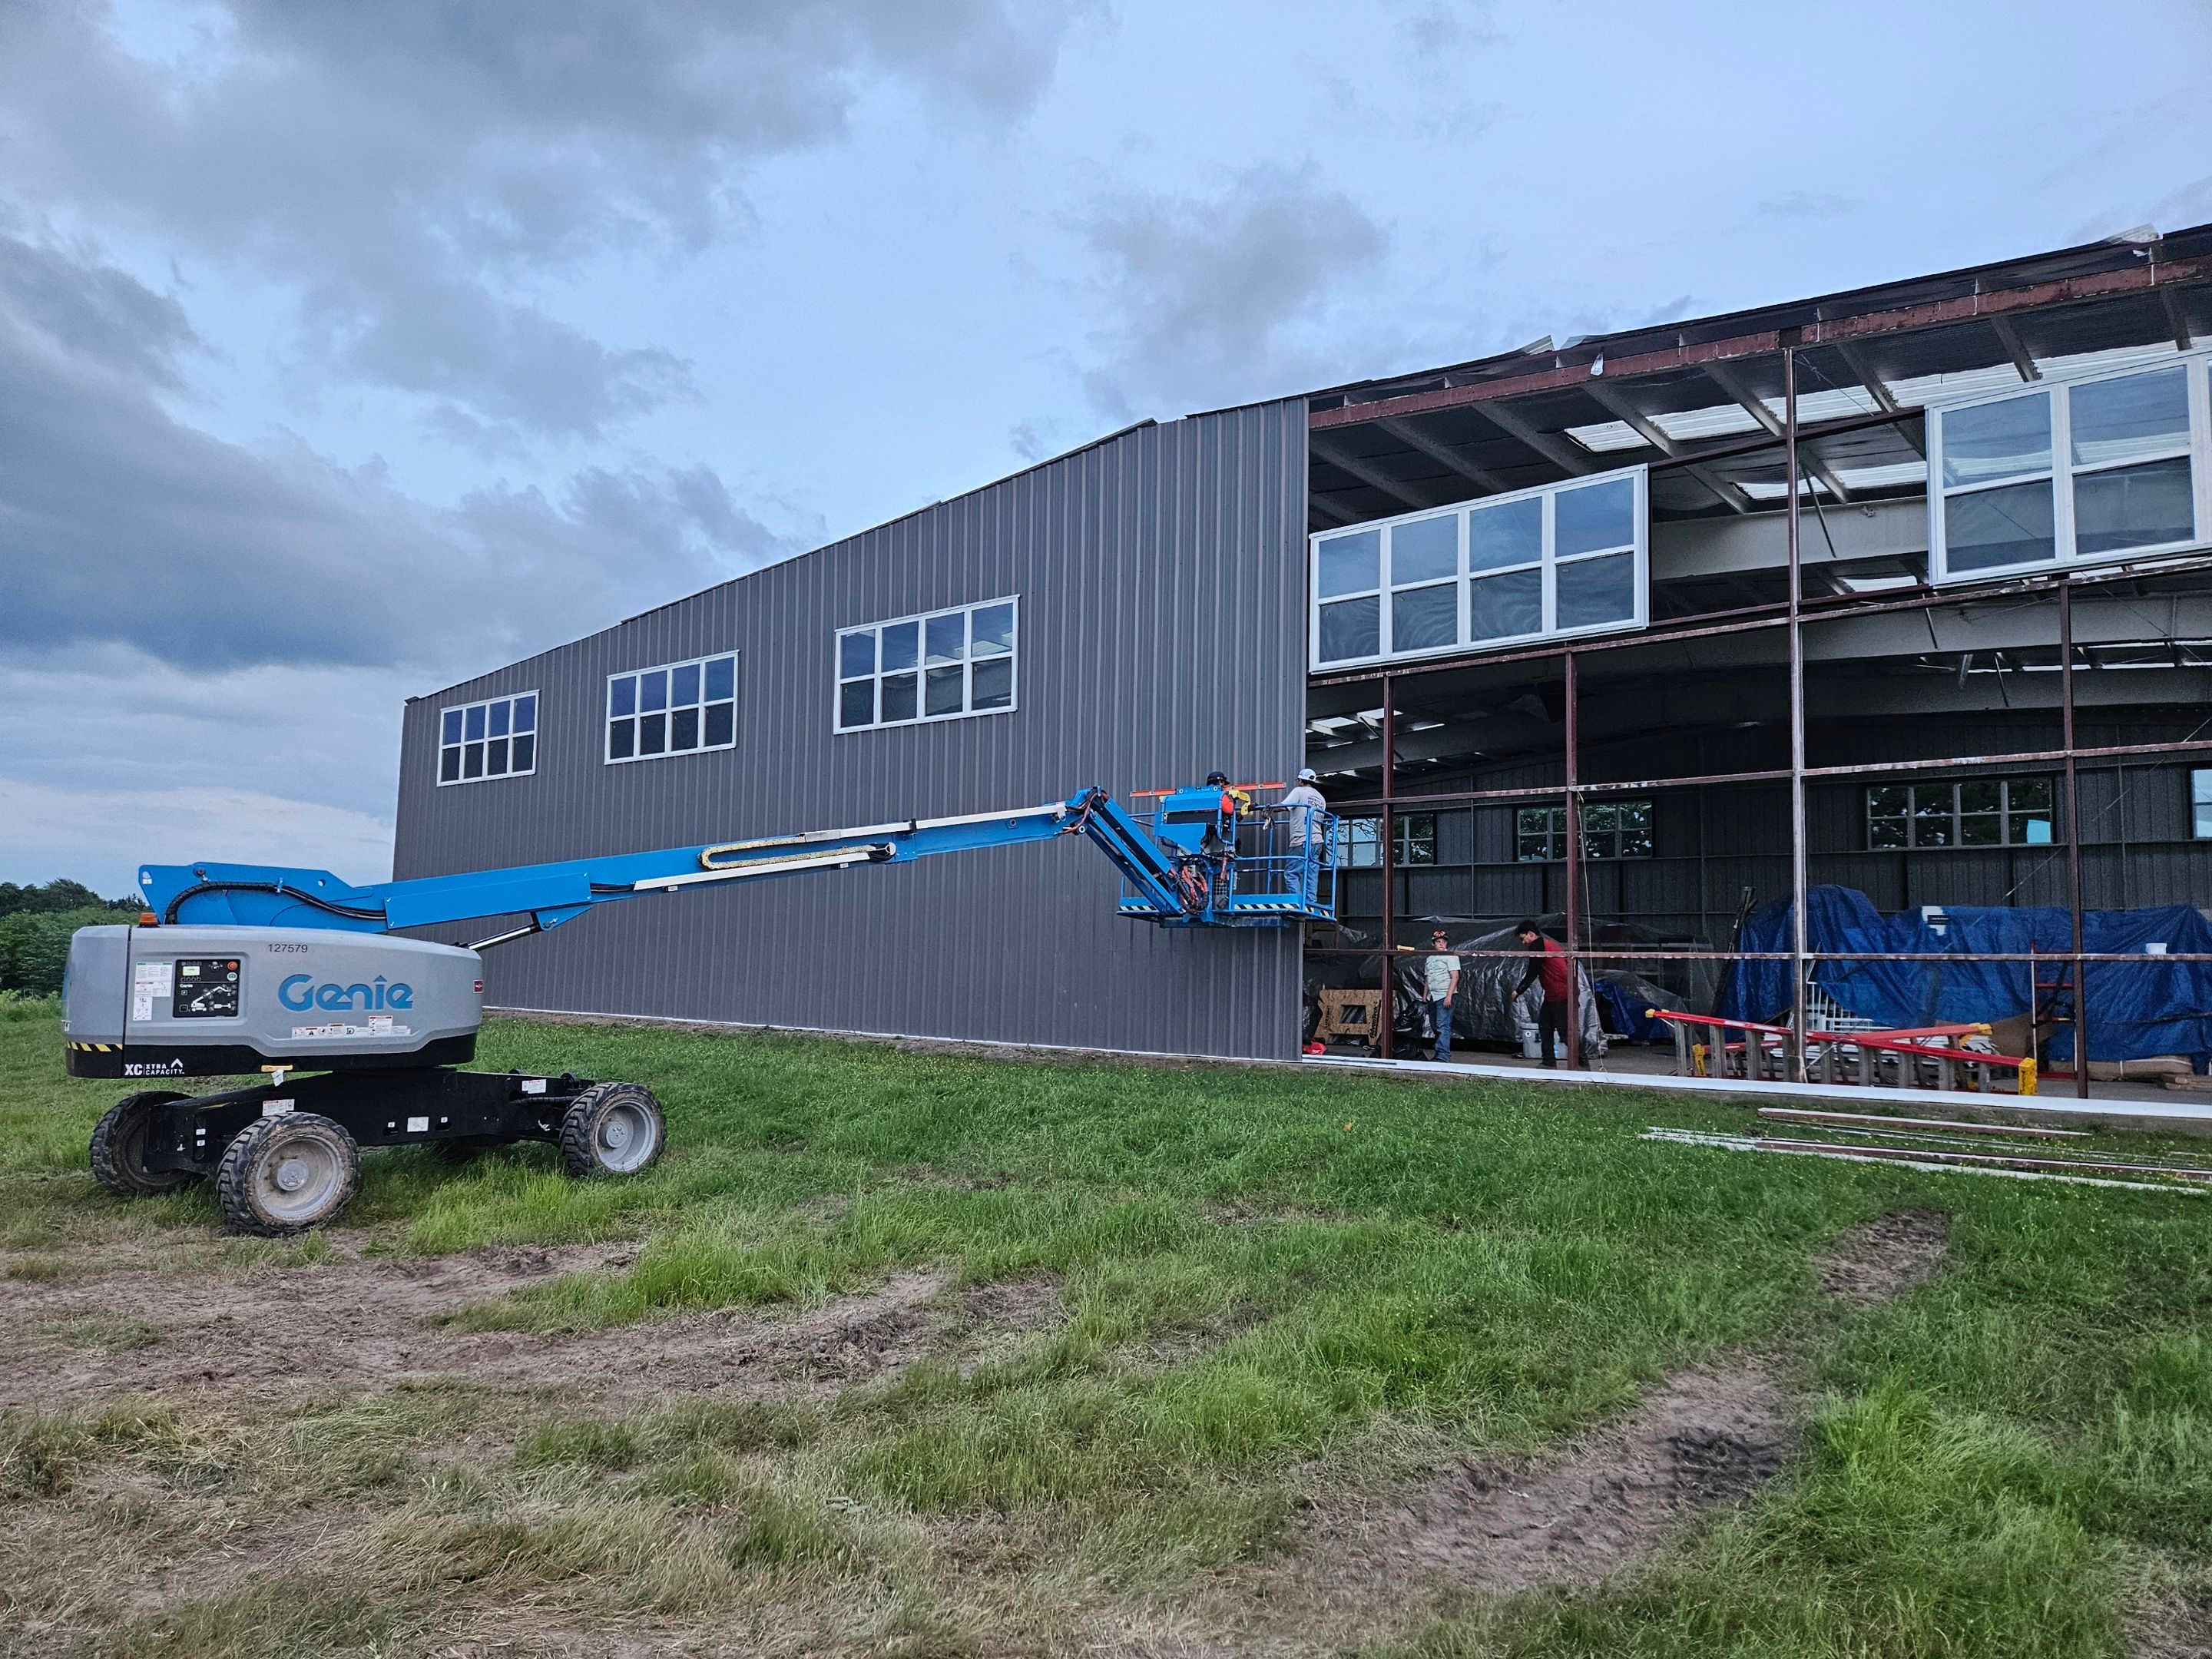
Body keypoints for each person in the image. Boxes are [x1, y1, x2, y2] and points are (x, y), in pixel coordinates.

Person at [1515, 919, 1572, 1068]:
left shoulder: (1538, 946)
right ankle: (1549, 1061)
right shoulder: (1548, 945)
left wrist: (1519, 990)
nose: (1523, 943)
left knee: (1564, 1031)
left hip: (1560, 993)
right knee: (1545, 1026)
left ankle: (1581, 1061)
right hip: (1555, 994)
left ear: (1531, 934)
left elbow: (1532, 972)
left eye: (1523, 938)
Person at [1280, 767, 1328, 896]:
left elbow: (1284, 806)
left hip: (1302, 840)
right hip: (1317, 841)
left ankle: (1296, 903)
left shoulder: (1299, 791)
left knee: (1291, 873)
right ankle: (1310, 902)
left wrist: (1267, 809)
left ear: (1301, 780)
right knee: (1311, 874)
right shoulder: (1321, 798)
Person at [1424, 928, 1460, 1062]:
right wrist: (1425, 996)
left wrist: (1449, 996)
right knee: (1435, 1025)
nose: (1441, 943)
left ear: (1446, 943)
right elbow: (1428, 979)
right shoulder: (1430, 959)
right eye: (1438, 941)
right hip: (1433, 996)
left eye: (1443, 941)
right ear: (1433, 944)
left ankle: (1443, 1055)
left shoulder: (1450, 956)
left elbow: (1455, 977)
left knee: (1442, 1025)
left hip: (1445, 995)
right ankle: (1439, 1053)